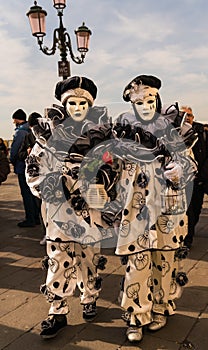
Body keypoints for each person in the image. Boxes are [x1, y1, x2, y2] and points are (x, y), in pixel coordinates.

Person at [25, 76, 117, 339]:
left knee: (89, 259)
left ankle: (89, 298)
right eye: (71, 103)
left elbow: (113, 169)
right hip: (59, 213)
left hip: (90, 213)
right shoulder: (46, 138)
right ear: (63, 105)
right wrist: (59, 186)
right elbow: (34, 173)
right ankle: (57, 310)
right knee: (58, 260)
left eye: (82, 103)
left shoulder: (101, 137)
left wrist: (104, 186)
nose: (77, 108)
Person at [112, 75, 196, 342]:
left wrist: (179, 170)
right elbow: (109, 169)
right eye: (140, 102)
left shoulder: (173, 131)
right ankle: (137, 315)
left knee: (165, 262)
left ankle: (160, 308)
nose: (146, 105)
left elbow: (190, 165)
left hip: (167, 212)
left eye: (150, 100)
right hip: (134, 212)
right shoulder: (121, 136)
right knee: (137, 265)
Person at [179, 106, 208, 249]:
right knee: (184, 210)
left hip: (198, 180)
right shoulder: (173, 132)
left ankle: (188, 233)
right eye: (183, 115)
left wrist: (202, 176)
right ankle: (186, 238)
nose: (186, 117)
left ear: (193, 117)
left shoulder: (203, 132)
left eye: (189, 115)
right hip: (180, 181)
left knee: (195, 209)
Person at [10, 109, 41, 227]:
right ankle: (36, 217)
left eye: (14, 120)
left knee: (26, 194)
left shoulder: (20, 132)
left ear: (17, 119)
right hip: (34, 168)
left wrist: (13, 161)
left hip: (22, 167)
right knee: (34, 194)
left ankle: (30, 219)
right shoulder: (32, 130)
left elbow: (15, 152)